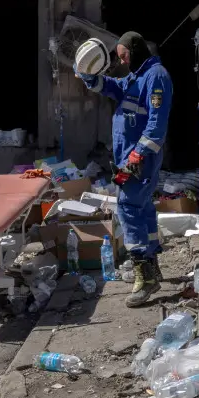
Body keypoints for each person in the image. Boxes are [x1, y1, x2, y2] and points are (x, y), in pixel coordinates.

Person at [75, 32, 173, 307]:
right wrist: (86, 73)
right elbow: (110, 86)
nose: (122, 61)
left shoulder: (156, 77)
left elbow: (157, 125)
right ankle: (152, 265)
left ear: (135, 50)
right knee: (143, 209)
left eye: (124, 56)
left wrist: (137, 156)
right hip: (130, 158)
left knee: (128, 208)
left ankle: (144, 274)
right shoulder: (135, 78)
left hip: (139, 159)